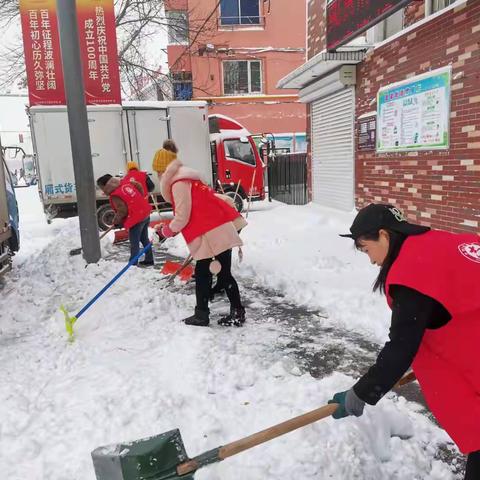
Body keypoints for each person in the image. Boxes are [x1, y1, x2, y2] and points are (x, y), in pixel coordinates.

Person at [328, 203, 480, 480]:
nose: (372, 261)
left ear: (384, 236)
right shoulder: (447, 242)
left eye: (366, 249)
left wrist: (361, 393)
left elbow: (401, 346)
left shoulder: (413, 274)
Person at [153, 152, 247, 327]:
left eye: (158, 172)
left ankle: (207, 315)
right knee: (217, 274)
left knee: (210, 275)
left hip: (211, 235)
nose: (158, 177)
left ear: (163, 170)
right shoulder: (190, 180)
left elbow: (182, 217)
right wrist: (167, 229)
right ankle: (231, 312)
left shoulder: (178, 184)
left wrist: (165, 232)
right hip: (217, 231)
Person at [97, 174, 154, 267]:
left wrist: (116, 221)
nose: (102, 190)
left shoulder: (115, 194)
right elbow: (138, 186)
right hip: (144, 212)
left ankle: (133, 264)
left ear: (105, 185)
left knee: (134, 242)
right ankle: (149, 259)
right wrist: (138, 200)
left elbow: (122, 210)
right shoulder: (125, 183)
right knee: (144, 239)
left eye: (101, 187)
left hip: (136, 217)